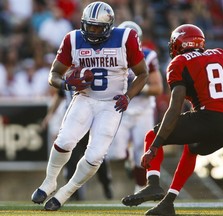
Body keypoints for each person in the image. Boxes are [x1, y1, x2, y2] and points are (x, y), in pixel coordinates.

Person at [121, 24, 223, 216]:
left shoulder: (179, 63)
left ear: (179, 43)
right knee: (191, 148)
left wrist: (154, 146)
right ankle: (168, 203)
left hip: (207, 117)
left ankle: (152, 184)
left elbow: (175, 107)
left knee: (152, 134)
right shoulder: (220, 54)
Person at [31, 1, 148, 211]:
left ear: (108, 26)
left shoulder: (125, 38)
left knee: (95, 155)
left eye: (97, 27)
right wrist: (66, 83)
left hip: (112, 103)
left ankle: (66, 192)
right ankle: (49, 181)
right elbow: (54, 74)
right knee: (65, 140)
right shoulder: (73, 38)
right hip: (84, 97)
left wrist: (128, 96)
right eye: (89, 26)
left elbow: (143, 73)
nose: (92, 31)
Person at [107, 21, 163, 192]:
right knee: (115, 153)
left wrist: (139, 88)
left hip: (142, 110)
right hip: (120, 110)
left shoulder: (148, 55)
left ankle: (140, 187)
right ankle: (128, 158)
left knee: (142, 151)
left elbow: (158, 88)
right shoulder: (111, 55)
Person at [41, 88, 113, 200]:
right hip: (74, 126)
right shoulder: (69, 77)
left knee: (96, 158)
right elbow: (60, 94)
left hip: (91, 125)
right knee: (71, 162)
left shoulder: (90, 74)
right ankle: (74, 196)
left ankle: (106, 185)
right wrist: (50, 114)